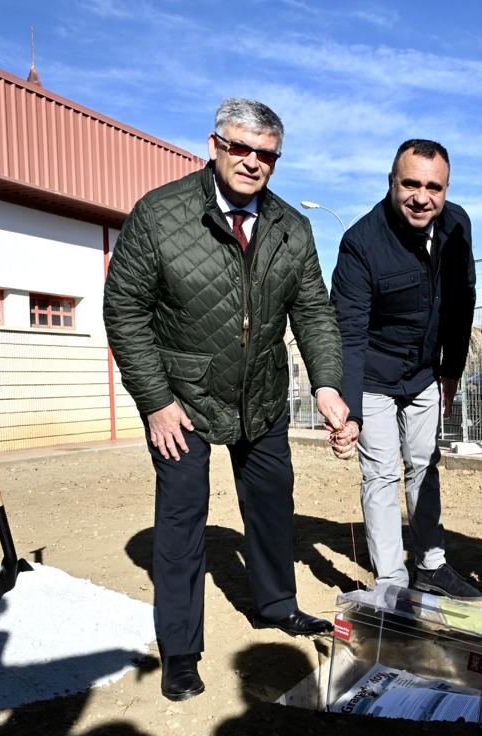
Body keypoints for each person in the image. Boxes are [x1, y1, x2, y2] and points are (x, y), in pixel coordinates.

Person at [104, 98, 349, 702]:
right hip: (179, 399)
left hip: (260, 393)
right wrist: (156, 400)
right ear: (214, 145)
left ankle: (276, 605)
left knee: (271, 505)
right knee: (183, 519)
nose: (252, 162)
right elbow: (125, 310)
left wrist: (327, 384)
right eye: (240, 147)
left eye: (266, 154)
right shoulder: (160, 215)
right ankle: (181, 651)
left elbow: (313, 310)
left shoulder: (293, 226)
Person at [328, 139, 481, 600]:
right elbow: (348, 334)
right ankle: (392, 582)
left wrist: (451, 370)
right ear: (391, 183)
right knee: (381, 474)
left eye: (433, 187)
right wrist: (349, 410)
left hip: (423, 375)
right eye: (410, 183)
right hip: (373, 378)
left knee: (425, 465)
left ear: (446, 187)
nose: (422, 197)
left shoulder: (456, 225)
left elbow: (462, 300)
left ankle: (431, 565)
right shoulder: (361, 243)